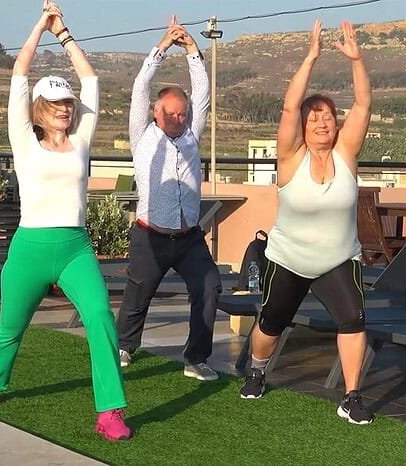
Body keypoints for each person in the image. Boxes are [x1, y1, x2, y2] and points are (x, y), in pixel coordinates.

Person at [0, 0, 131, 441]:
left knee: (100, 317)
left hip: (75, 247)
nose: (64, 107)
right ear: (40, 107)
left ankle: (110, 411)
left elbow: (92, 79)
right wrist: (40, 26)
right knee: (10, 326)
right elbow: (19, 74)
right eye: (56, 102)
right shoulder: (25, 141)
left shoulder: (80, 139)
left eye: (68, 102)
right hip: (31, 248)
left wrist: (65, 33)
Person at [238, 20, 376, 425]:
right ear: (302, 125)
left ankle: (352, 396)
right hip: (288, 257)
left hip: (338, 260)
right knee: (270, 322)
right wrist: (311, 56)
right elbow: (287, 106)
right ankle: (257, 371)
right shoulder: (290, 159)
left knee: (353, 319)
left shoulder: (345, 155)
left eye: (328, 117)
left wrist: (356, 59)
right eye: (313, 117)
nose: (321, 122)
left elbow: (365, 105)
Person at [115, 16, 221, 381]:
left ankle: (196, 359)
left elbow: (203, 94)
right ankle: (124, 347)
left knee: (209, 286)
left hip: (189, 237)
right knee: (137, 295)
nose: (177, 118)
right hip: (150, 236)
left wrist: (192, 50)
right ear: (156, 113)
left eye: (182, 113)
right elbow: (140, 87)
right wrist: (162, 48)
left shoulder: (192, 136)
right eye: (170, 113)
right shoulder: (142, 136)